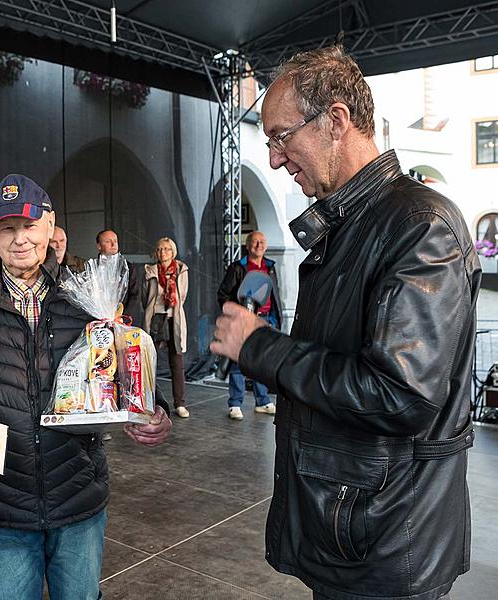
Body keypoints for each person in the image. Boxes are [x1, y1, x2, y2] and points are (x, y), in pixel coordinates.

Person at [211, 46, 479, 600]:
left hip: (386, 541)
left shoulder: (419, 227)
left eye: (283, 136)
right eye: (269, 143)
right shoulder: (352, 225)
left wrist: (262, 348)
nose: (277, 159)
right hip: (352, 528)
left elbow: (397, 394)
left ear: (336, 120)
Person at [0, 173, 172, 600]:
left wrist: (152, 407)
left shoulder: (83, 296)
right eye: (7, 228)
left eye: (29, 226)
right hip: (2, 501)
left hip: (77, 492)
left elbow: (117, 364)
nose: (20, 239)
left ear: (50, 225)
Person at [216, 231, 281, 420]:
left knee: (261, 362)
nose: (258, 245)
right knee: (237, 362)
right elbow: (223, 294)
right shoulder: (237, 268)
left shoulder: (270, 267)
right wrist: (237, 313)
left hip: (266, 320)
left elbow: (274, 293)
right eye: (254, 242)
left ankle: (262, 401)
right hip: (243, 321)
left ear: (266, 246)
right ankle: (235, 403)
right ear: (247, 245)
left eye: (262, 242)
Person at [143, 237, 189, 419]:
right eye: (160, 249)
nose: (163, 252)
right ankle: (149, 403)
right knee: (149, 363)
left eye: (167, 249)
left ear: (173, 251)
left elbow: (182, 295)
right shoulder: (150, 270)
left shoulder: (181, 270)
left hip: (174, 319)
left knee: (177, 362)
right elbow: (145, 297)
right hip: (155, 318)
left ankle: (180, 404)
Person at [96, 229, 141, 327]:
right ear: (99, 246)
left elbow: (135, 295)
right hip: (98, 323)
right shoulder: (93, 267)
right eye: (108, 241)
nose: (113, 244)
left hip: (123, 322)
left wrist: (122, 317)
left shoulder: (127, 267)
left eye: (115, 241)